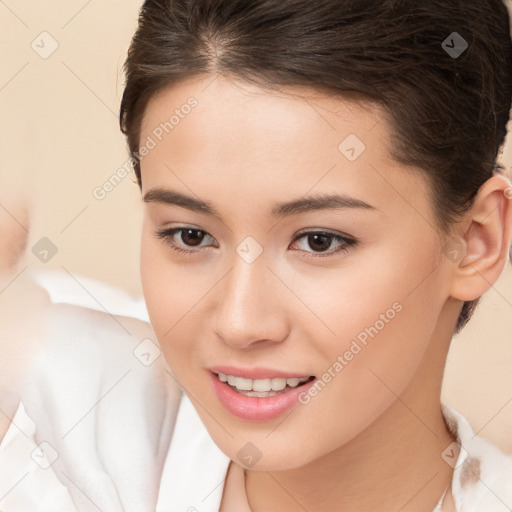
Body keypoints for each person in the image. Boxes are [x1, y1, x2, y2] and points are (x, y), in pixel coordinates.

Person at [1, 0, 512, 511]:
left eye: (319, 241)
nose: (240, 323)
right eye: (191, 236)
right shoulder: (47, 426)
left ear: (475, 242)